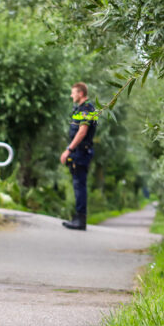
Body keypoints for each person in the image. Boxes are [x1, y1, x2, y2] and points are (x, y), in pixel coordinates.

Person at [59, 82, 98, 230]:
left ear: (81, 93)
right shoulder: (80, 108)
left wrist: (69, 149)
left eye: (73, 92)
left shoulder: (87, 108)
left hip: (81, 152)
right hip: (79, 152)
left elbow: (82, 132)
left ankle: (80, 220)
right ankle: (77, 217)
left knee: (79, 185)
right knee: (77, 185)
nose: (71, 95)